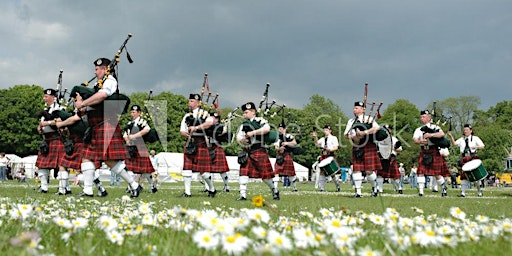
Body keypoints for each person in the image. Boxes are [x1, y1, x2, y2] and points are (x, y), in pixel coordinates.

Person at [74, 57, 142, 198]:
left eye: (97, 69)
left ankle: (134, 185)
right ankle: (88, 190)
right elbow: (95, 103)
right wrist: (82, 109)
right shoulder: (98, 85)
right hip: (95, 126)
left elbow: (102, 96)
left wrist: (83, 103)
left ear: (105, 69)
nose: (95, 72)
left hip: (106, 125)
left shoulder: (110, 81)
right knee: (87, 157)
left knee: (110, 160)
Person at [236, 102, 279, 201]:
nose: (244, 114)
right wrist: (243, 140)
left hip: (258, 149)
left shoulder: (260, 120)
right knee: (243, 172)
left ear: (253, 112)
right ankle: (243, 195)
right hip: (247, 150)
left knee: (265, 175)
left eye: (246, 112)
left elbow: (267, 129)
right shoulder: (244, 124)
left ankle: (274, 190)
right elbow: (238, 136)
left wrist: (252, 132)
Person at [179, 93, 216, 198]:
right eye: (189, 101)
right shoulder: (187, 116)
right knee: (186, 168)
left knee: (203, 172)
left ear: (198, 103)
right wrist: (186, 134)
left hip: (201, 143)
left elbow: (210, 123)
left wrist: (196, 127)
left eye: (192, 101)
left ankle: (212, 189)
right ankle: (187, 192)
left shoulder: (204, 114)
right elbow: (182, 130)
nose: (189, 103)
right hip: (190, 143)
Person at [344, 101, 382, 197]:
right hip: (357, 146)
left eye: (357, 108)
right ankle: (358, 192)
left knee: (369, 171)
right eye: (354, 108)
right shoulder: (351, 121)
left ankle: (374, 187)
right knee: (356, 169)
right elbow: (346, 134)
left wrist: (364, 132)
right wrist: (354, 137)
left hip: (369, 145)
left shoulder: (368, 119)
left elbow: (377, 128)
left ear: (363, 109)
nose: (354, 110)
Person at [412, 110, 450, 197]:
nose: (422, 118)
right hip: (424, 151)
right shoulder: (418, 129)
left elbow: (441, 134)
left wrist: (430, 135)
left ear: (429, 118)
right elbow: (415, 140)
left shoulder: (435, 127)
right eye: (421, 117)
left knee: (437, 174)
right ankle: (421, 192)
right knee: (420, 172)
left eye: (424, 117)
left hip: (434, 151)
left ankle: (443, 189)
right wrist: (420, 141)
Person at [35, 88, 66, 193]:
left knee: (61, 165)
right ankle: (44, 187)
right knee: (42, 164)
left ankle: (64, 188)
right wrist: (40, 128)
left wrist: (47, 123)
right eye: (44, 96)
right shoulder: (46, 110)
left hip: (57, 138)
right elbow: (41, 124)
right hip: (47, 139)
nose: (44, 98)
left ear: (53, 97)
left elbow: (61, 121)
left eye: (46, 96)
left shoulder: (60, 108)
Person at [123, 105, 158, 193]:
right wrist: (127, 140)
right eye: (131, 112)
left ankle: (152, 185)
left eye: (134, 112)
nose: (132, 114)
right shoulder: (129, 123)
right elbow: (125, 135)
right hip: (131, 147)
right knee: (130, 168)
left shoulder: (142, 122)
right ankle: (131, 186)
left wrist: (134, 136)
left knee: (145, 169)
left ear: (139, 113)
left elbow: (146, 130)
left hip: (140, 146)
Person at [447, 124, 485, 197]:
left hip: (473, 157)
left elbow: (482, 146)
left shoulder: (475, 138)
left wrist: (476, 146)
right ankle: (463, 193)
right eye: (464, 130)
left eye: (467, 130)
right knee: (464, 176)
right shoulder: (461, 139)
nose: (465, 131)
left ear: (471, 131)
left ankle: (479, 192)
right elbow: (454, 144)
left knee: (476, 176)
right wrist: (451, 136)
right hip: (464, 158)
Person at [205, 111, 231, 192]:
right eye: (213, 117)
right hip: (209, 147)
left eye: (216, 118)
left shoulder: (221, 126)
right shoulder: (206, 126)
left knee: (222, 169)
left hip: (217, 147)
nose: (215, 119)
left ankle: (227, 186)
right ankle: (208, 187)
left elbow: (224, 132)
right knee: (206, 169)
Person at [312, 124, 341, 192]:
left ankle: (337, 186)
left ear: (330, 131)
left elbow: (336, 147)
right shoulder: (322, 139)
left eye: (327, 130)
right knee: (321, 172)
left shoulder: (334, 138)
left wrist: (329, 149)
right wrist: (315, 137)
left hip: (330, 156)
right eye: (324, 130)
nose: (325, 131)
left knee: (332, 173)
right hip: (323, 156)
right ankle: (322, 188)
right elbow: (316, 144)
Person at [376, 125, 403, 194]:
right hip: (381, 157)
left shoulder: (394, 139)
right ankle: (380, 189)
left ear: (390, 130)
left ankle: (399, 188)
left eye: (388, 129)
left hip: (391, 157)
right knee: (380, 174)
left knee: (394, 175)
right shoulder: (379, 139)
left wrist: (394, 148)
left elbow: (400, 149)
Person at [273, 120, 299, 192]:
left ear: (285, 129)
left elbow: (294, 143)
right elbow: (276, 147)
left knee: (291, 173)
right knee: (276, 171)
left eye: (281, 129)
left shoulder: (289, 136)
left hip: (287, 155)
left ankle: (294, 187)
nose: (279, 130)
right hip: (280, 156)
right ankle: (275, 188)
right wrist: (279, 148)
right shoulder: (277, 137)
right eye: (278, 128)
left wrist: (287, 143)